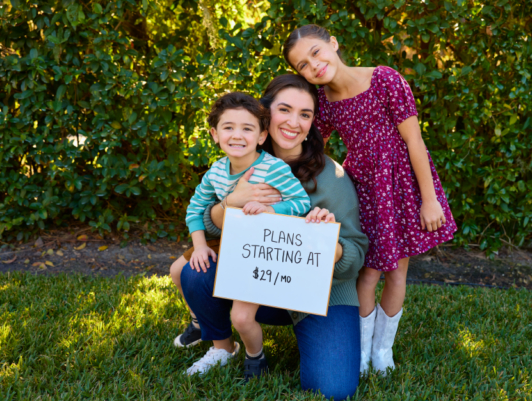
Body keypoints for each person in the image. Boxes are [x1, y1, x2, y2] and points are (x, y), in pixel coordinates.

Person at [174, 74, 368, 399]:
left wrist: (328, 246)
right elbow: (209, 223)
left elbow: (354, 257)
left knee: (332, 390)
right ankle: (224, 346)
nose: (294, 122)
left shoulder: (332, 177)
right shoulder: (241, 158)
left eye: (305, 114)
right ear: (266, 114)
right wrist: (230, 203)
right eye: (285, 109)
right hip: (259, 278)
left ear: (312, 123)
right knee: (194, 272)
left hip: (321, 294)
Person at [283, 24, 458, 375]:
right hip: (363, 190)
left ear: (333, 43)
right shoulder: (324, 104)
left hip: (401, 188)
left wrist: (429, 199)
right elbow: (309, 144)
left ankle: (383, 351)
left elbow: (414, 142)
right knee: (368, 274)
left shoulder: (384, 80)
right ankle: (360, 352)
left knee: (396, 272)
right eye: (302, 65)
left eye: (316, 52)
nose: (313, 65)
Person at [182, 91, 311, 379]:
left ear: (262, 136)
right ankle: (218, 342)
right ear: (215, 134)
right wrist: (200, 245)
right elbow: (195, 209)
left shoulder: (273, 169)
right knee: (184, 270)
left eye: (247, 128)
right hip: (234, 253)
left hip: (264, 256)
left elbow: (302, 203)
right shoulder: (215, 173)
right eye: (228, 128)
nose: (237, 135)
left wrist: (272, 210)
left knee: (242, 317)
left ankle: (256, 357)